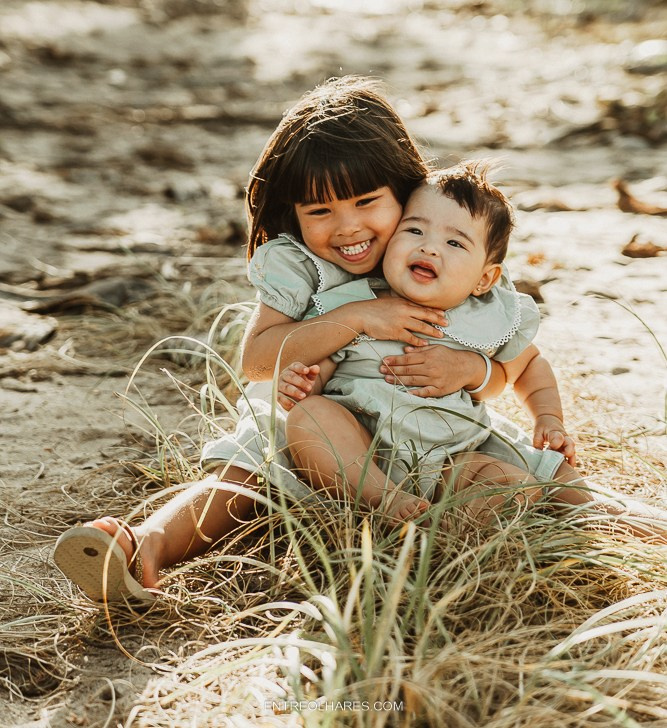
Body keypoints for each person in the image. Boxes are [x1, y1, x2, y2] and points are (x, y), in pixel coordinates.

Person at [54, 77, 499, 604]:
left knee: (507, 471)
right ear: (295, 213)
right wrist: (359, 316)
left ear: (406, 190)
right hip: (319, 427)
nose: (347, 227)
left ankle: (542, 534)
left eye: (366, 201)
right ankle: (146, 545)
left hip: (423, 429)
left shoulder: (448, 249)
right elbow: (258, 360)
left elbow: (508, 369)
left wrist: (473, 371)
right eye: (320, 211)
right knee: (253, 459)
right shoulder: (302, 266)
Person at [279, 162, 667, 536]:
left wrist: (548, 418)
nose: (430, 248)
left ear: (485, 278)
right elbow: (320, 367)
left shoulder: (485, 316)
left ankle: (618, 521)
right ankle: (383, 501)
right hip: (367, 453)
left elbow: (530, 366)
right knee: (311, 417)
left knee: (523, 481)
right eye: (414, 230)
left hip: (456, 456)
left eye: (454, 243)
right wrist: (304, 385)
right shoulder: (350, 303)